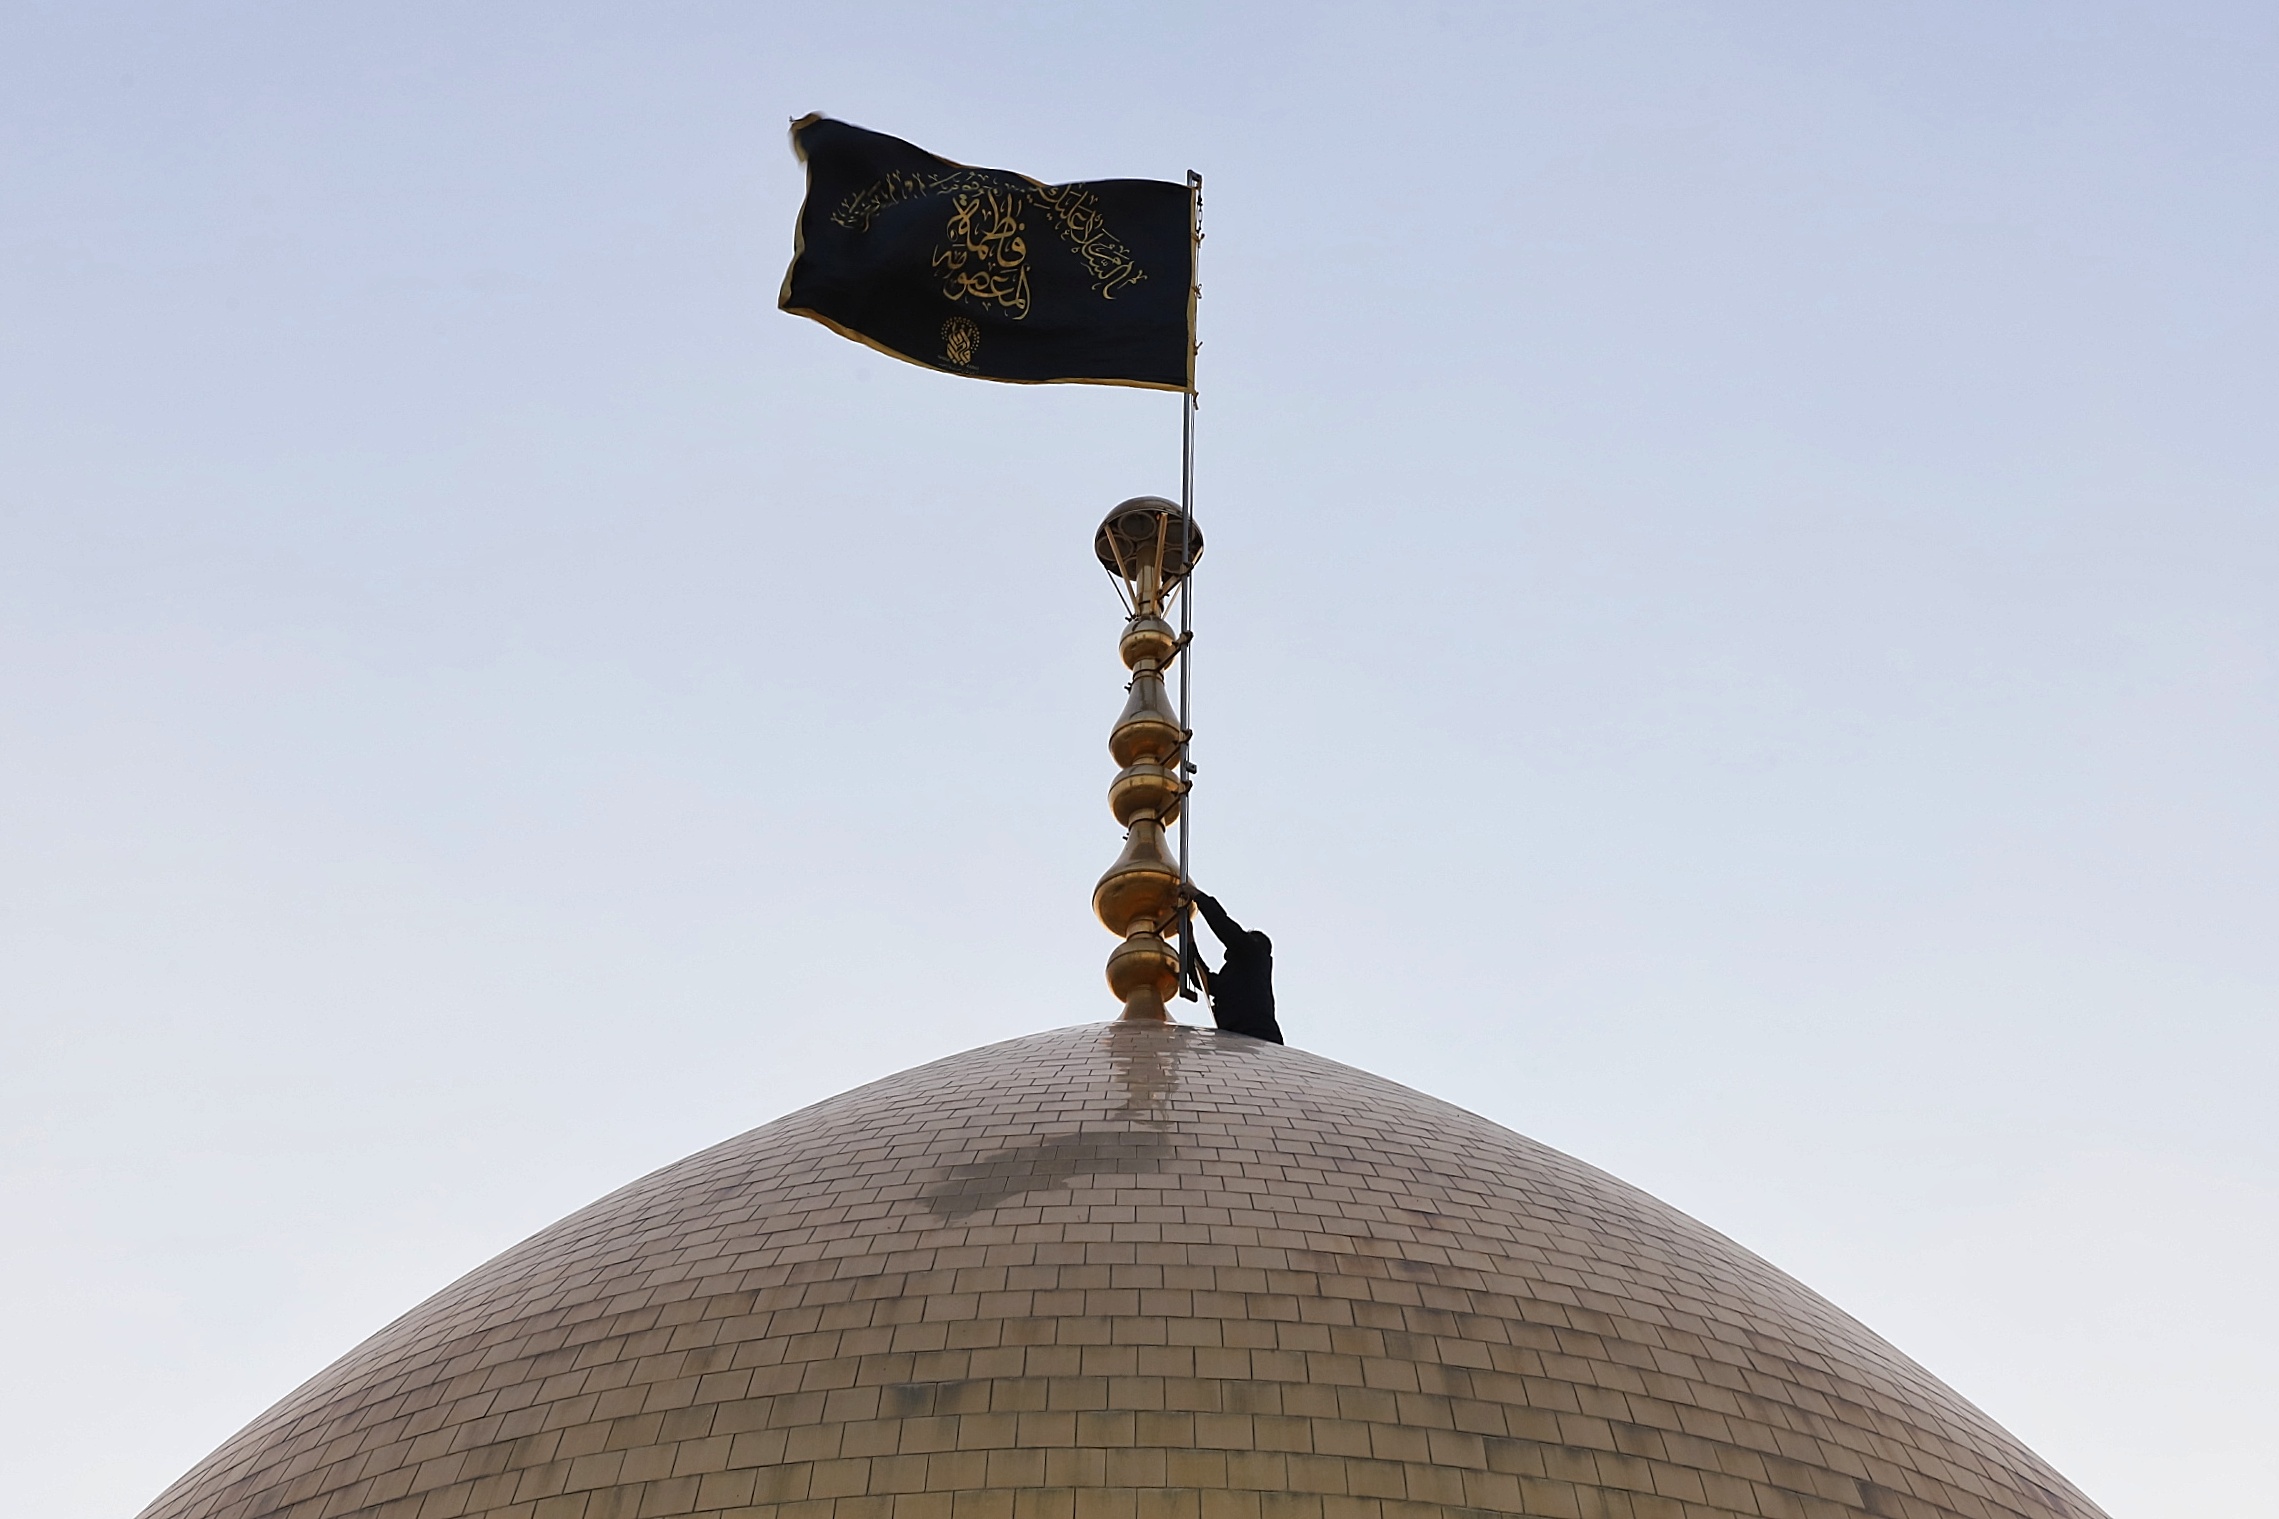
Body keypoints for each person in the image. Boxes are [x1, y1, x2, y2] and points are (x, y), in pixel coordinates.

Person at [1187, 890, 1284, 1044]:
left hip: (1258, 1035)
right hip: (1232, 1037)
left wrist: (1198, 897)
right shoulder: (1234, 976)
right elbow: (1202, 979)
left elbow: (1225, 928)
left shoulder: (1254, 954)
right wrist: (1189, 941)